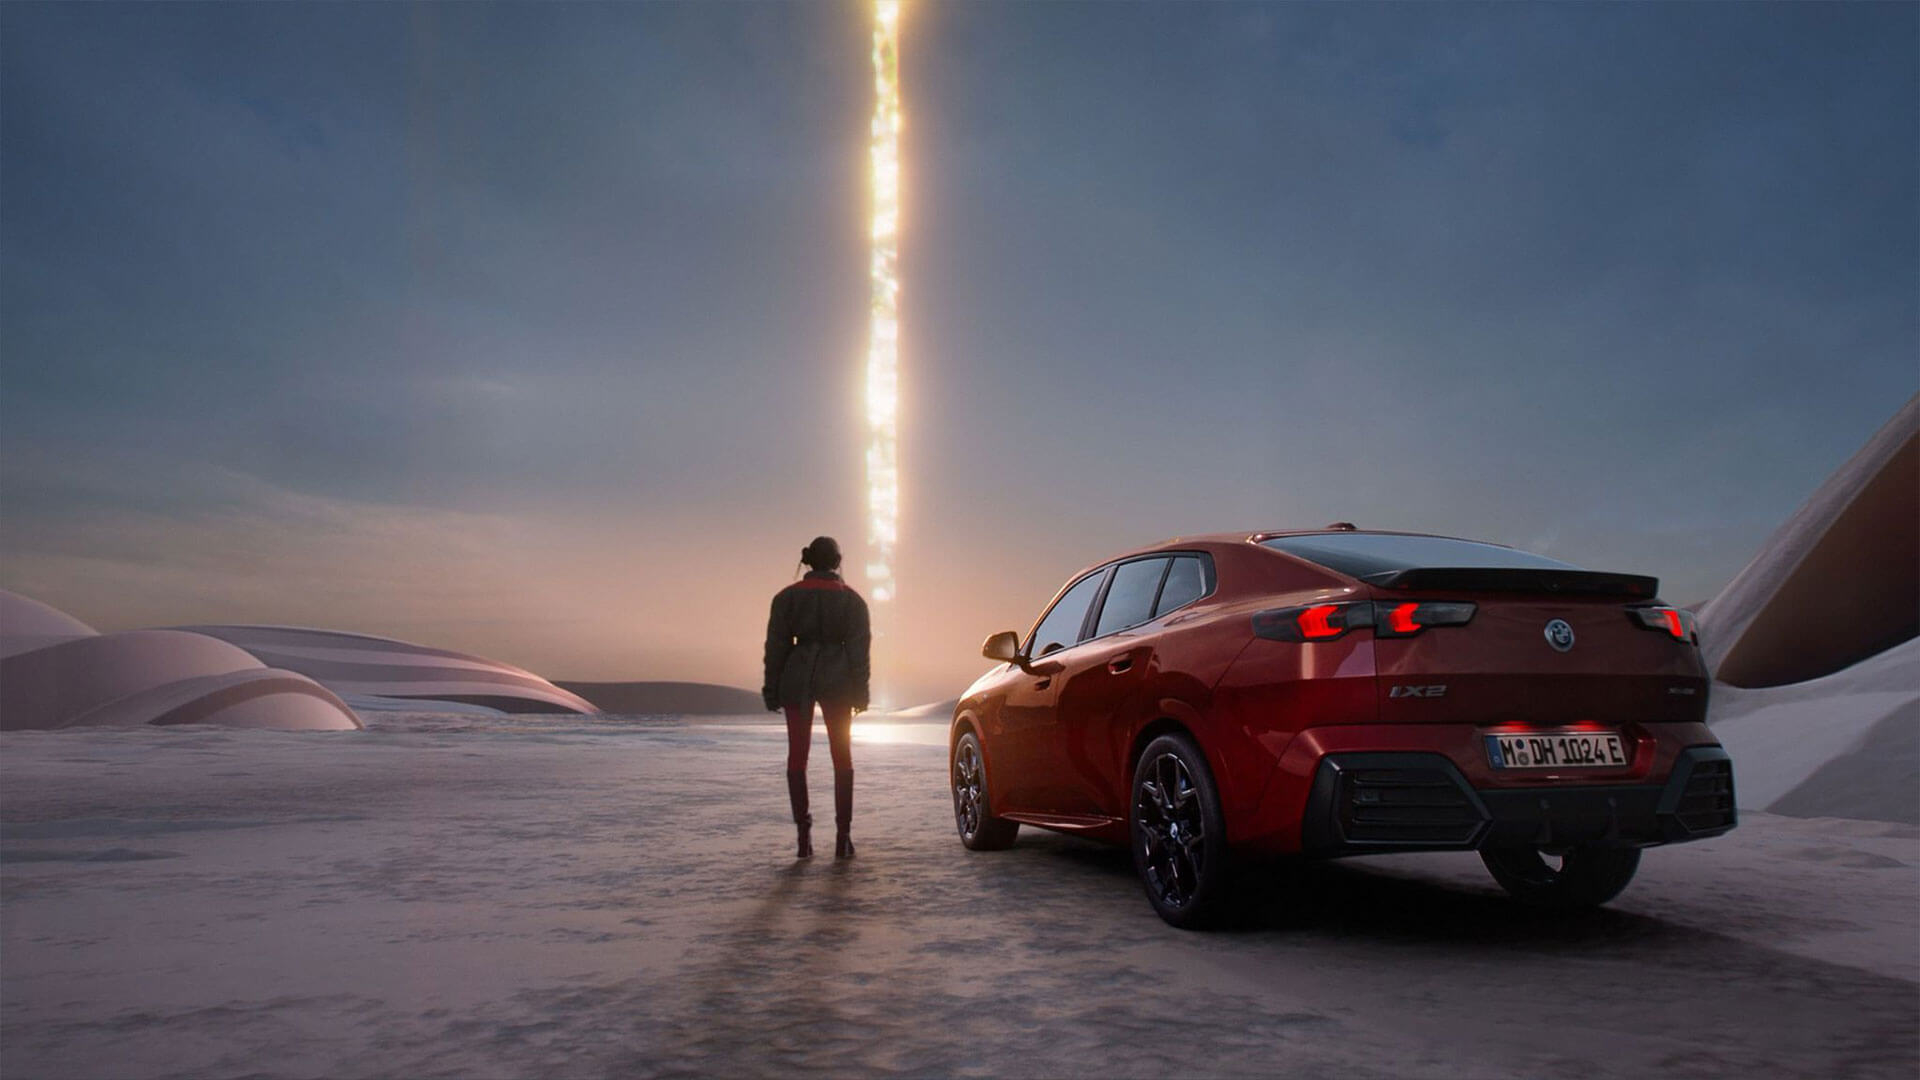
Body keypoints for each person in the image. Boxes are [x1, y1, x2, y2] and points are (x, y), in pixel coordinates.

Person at [762, 536, 871, 859]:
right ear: (837, 561)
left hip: (797, 678)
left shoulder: (787, 598)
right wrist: (860, 692)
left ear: (809, 561)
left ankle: (803, 838)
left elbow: (776, 647)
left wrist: (772, 687)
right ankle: (843, 836)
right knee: (843, 758)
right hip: (838, 680)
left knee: (797, 758)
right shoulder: (853, 602)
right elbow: (859, 653)